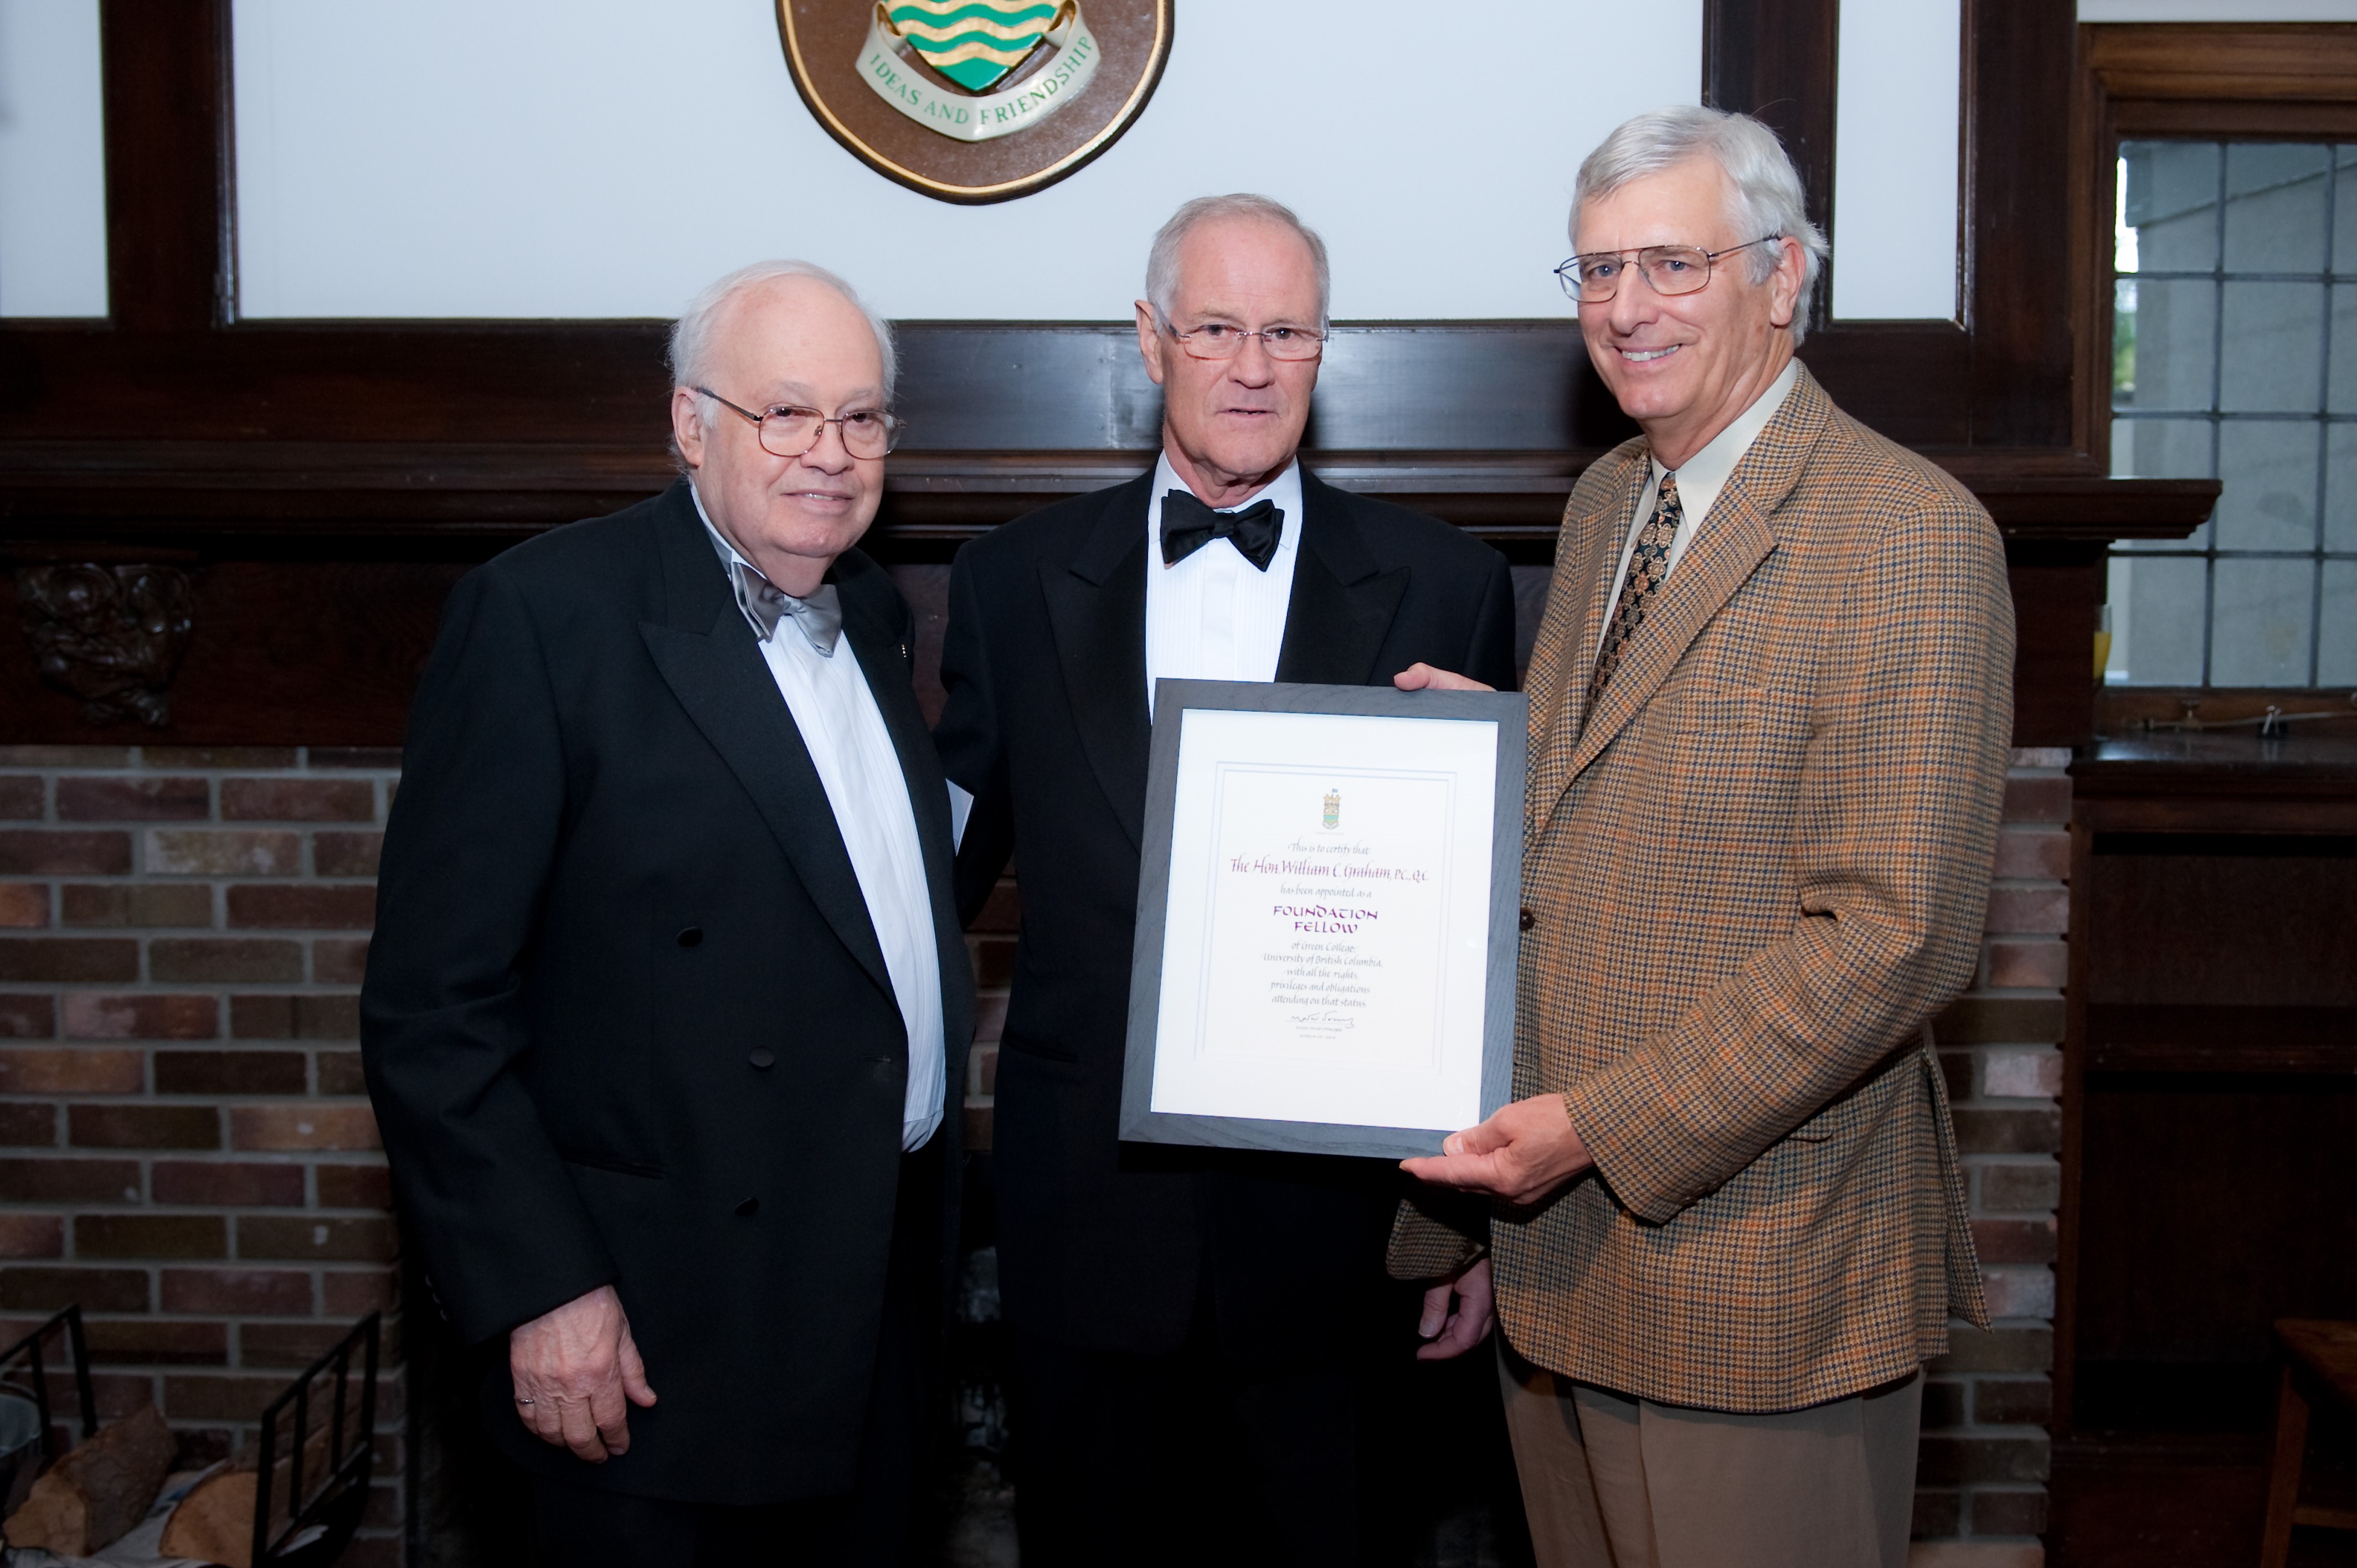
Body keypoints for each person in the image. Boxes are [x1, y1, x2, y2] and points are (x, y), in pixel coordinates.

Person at [1392, 106, 2015, 1568]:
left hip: (1759, 1284)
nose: (1624, 310)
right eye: (1597, 272)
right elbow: (1650, 772)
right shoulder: (1617, 498)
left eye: (1671, 264)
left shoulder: (1909, 532)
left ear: (1784, 275)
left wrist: (1594, 1132)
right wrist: (1509, 751)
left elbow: (1893, 937)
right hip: (1560, 1266)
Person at [361, 260, 973, 1568]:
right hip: (654, 1324)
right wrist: (542, 1291)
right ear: (691, 424)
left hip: (871, 1285)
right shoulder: (543, 618)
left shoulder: (861, 608)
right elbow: (433, 1009)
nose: (831, 454)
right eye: (787, 414)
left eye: (862, 419)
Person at [934, 193, 1516, 1565]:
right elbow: (927, 884)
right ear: (1150, 342)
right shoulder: (1012, 583)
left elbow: (1487, 942)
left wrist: (1480, 1225)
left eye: (1286, 331)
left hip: (1350, 1247)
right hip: (1087, 1230)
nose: (1252, 365)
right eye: (1215, 328)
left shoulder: (1448, 583)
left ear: (1324, 351)